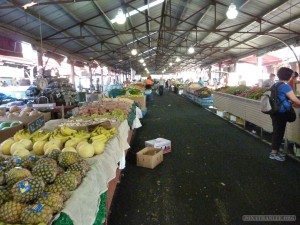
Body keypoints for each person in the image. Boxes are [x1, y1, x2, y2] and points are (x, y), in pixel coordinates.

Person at [269, 67, 300, 161]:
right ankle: (273, 154)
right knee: (279, 132)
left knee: (277, 131)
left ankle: (275, 151)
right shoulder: (285, 86)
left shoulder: (275, 85)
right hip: (281, 112)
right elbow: (295, 99)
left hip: (274, 111)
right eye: (291, 75)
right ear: (288, 76)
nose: (292, 77)